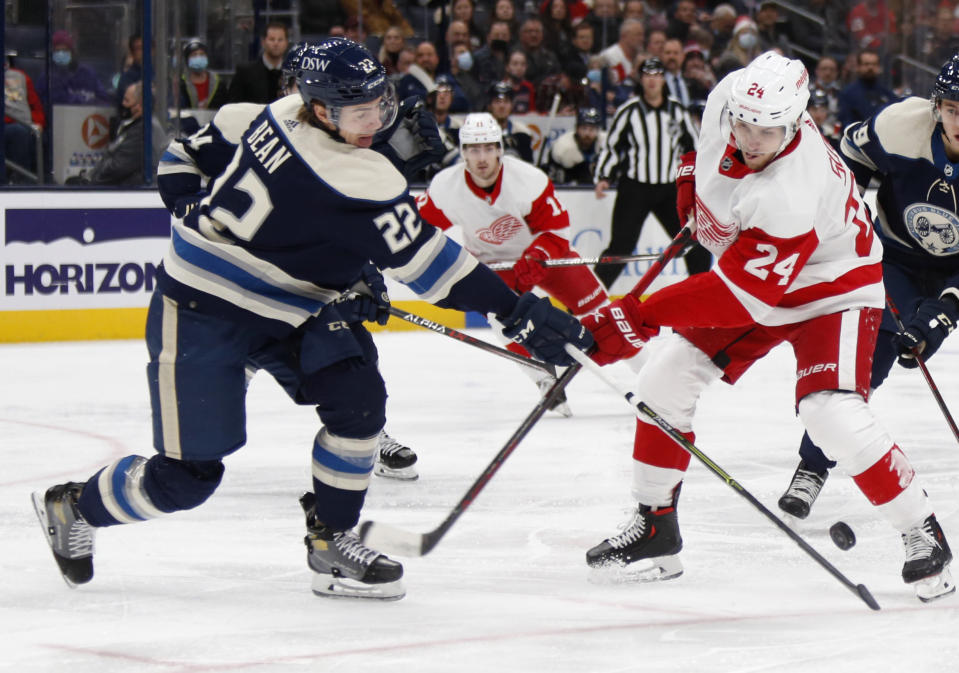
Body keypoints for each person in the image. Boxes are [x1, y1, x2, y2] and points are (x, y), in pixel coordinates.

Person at [32, 37, 592, 602]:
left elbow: (270, 197)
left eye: (380, 103)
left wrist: (344, 268)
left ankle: (332, 539)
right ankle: (73, 506)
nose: (376, 119)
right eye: (359, 112)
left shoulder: (268, 113)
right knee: (186, 478)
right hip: (205, 304)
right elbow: (432, 267)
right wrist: (517, 310)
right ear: (320, 109)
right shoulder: (358, 177)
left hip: (294, 304)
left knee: (359, 404)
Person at [582, 51, 954, 603]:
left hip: (834, 288)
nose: (753, 140)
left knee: (828, 411)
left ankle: (922, 532)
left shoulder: (791, 189)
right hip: (762, 280)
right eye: (746, 125)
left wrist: (638, 315)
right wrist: (693, 181)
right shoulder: (728, 97)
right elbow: (708, 181)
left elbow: (740, 298)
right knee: (663, 380)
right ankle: (655, 527)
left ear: (798, 121)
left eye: (770, 131)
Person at [776, 53, 959, 525]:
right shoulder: (900, 124)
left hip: (953, 272)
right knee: (867, 363)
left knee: (925, 332)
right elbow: (848, 159)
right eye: (954, 108)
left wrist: (939, 319)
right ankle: (812, 466)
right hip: (895, 256)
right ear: (938, 106)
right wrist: (847, 201)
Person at [416, 112, 608, 415]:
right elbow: (417, 230)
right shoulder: (445, 187)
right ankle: (543, 379)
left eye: (489, 148)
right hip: (494, 265)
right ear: (463, 152)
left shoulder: (528, 180)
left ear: (499, 149)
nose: (482, 158)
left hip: (543, 256)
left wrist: (538, 255)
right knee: (503, 321)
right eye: (474, 149)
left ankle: (648, 374)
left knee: (601, 311)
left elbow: (556, 230)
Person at [593, 57, 710, 290]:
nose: (652, 80)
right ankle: (589, 299)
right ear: (641, 79)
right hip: (635, 187)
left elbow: (695, 148)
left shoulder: (677, 110)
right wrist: (605, 176)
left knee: (694, 244)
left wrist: (700, 180)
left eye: (657, 74)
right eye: (648, 75)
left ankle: (700, 295)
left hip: (669, 189)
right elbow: (613, 146)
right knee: (620, 247)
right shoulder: (629, 111)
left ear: (663, 79)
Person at [67, 81, 168, 186]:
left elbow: (117, 168)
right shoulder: (133, 126)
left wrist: (90, 182)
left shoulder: (143, 131)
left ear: (140, 106)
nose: (123, 104)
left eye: (126, 100)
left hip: (128, 193)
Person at [39, 29, 111, 105]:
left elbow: (104, 100)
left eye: (65, 50)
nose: (61, 54)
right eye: (57, 51)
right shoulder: (47, 77)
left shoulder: (87, 73)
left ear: (72, 52)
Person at [228, 22, 290, 104]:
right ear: (263, 42)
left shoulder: (293, 75)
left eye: (280, 40)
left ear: (286, 43)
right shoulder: (244, 73)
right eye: (272, 39)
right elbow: (233, 105)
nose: (276, 43)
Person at [4, 57, 45, 181]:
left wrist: (38, 123)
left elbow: (35, 106)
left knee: (19, 132)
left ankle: (22, 183)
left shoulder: (20, 77)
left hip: (20, 125)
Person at [838, 49, 897, 129]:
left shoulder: (887, 94)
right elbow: (846, 124)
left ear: (879, 67)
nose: (870, 67)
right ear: (858, 67)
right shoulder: (847, 94)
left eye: (874, 64)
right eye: (866, 64)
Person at [547, 106, 605, 185]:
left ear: (598, 130)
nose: (587, 133)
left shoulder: (605, 142)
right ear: (577, 129)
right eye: (584, 128)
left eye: (592, 129)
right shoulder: (565, 146)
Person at [487, 81, 534, 162]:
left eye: (506, 102)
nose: (502, 106)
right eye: (497, 102)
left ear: (512, 105)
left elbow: (528, 166)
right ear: (490, 106)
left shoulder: (522, 133)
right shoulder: (480, 133)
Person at [178, 40, 229, 110]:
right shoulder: (181, 84)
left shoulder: (219, 83)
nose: (198, 58)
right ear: (187, 60)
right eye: (194, 55)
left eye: (202, 54)